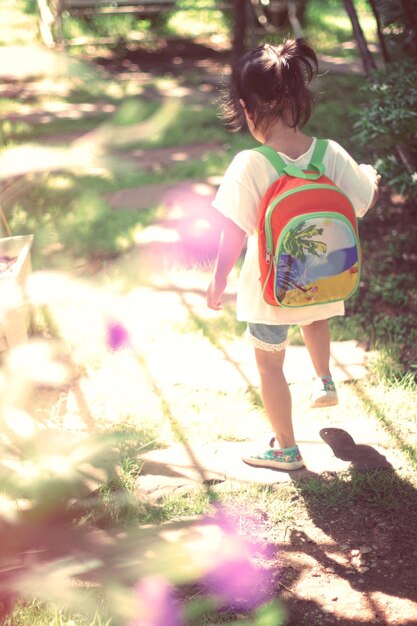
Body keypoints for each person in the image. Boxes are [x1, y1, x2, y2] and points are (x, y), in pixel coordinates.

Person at [206, 38, 380, 471]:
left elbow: (233, 229)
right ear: (298, 98)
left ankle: (285, 448)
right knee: (313, 317)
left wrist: (218, 278)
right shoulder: (330, 153)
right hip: (322, 281)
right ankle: (324, 378)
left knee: (270, 369)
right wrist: (370, 177)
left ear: (247, 109)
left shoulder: (251, 164)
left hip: (270, 291)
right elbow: (360, 202)